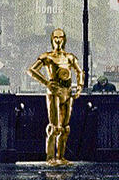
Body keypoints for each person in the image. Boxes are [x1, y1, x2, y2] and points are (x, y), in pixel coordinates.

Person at [27, 28, 84, 165]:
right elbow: (32, 70)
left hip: (67, 91)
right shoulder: (48, 56)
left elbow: (79, 71)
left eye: (61, 37)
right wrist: (47, 82)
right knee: (54, 127)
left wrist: (79, 87)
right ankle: (51, 157)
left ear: (64, 40)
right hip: (55, 91)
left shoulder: (69, 57)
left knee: (65, 128)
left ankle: (61, 157)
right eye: (56, 38)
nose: (58, 40)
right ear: (52, 39)